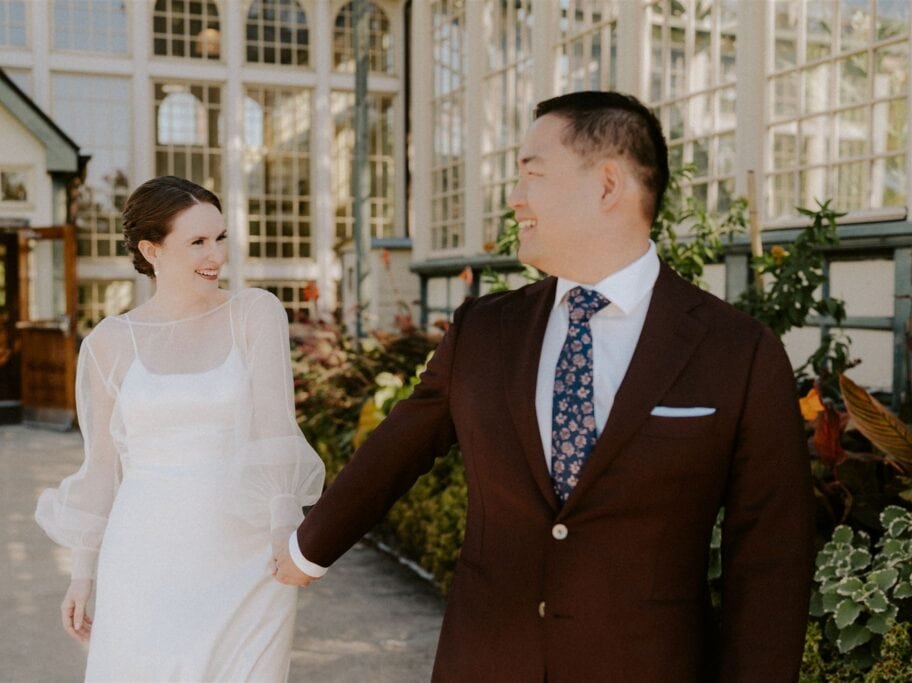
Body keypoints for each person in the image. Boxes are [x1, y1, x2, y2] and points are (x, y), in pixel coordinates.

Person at [274, 92, 814, 681]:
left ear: (608, 185)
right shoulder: (484, 329)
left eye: (532, 173)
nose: (515, 197)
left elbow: (770, 559)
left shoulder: (738, 351)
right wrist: (306, 550)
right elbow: (400, 447)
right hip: (485, 662)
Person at [36, 176, 324, 682]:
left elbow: (277, 428)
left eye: (219, 238)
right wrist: (82, 574)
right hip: (145, 559)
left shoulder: (254, 313)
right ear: (152, 250)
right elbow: (102, 466)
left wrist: (284, 531)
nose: (215, 255)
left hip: (249, 557)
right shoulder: (108, 343)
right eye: (197, 242)